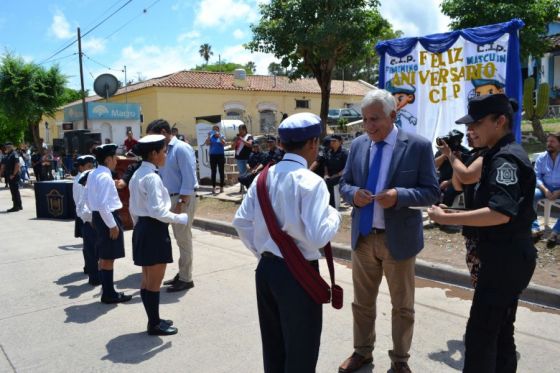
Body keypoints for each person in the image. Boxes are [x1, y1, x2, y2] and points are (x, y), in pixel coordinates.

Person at [427, 94, 537, 372]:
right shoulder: (496, 155)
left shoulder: (504, 159)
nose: (471, 130)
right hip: (506, 256)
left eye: (477, 123)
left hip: (505, 259)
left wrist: (449, 217)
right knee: (500, 333)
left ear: (500, 121)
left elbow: (501, 212)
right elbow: (465, 184)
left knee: (480, 338)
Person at [338, 89, 439, 373]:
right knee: (362, 304)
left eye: (375, 120)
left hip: (399, 241)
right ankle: (362, 353)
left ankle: (400, 361)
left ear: (393, 115)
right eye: (364, 120)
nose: (369, 126)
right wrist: (353, 193)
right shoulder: (359, 145)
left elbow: (431, 192)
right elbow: (344, 183)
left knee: (402, 307)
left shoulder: (417, 146)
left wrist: (400, 195)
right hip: (364, 238)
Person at [232, 112, 341, 373]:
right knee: (301, 351)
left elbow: (241, 222)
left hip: (267, 271)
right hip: (299, 273)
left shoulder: (262, 177)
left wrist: (263, 252)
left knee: (274, 346)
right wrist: (334, 216)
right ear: (313, 143)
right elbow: (318, 236)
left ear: (281, 143)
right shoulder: (311, 182)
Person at [129, 134, 190, 336]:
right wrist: (181, 218)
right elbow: (158, 211)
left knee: (147, 279)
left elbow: (132, 208)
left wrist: (142, 226)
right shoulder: (152, 177)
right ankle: (154, 324)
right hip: (154, 229)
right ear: (154, 154)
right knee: (153, 281)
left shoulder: (138, 174)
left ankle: (154, 320)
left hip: (144, 228)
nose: (165, 155)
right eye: (163, 151)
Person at [147, 119, 198, 293]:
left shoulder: (181, 149)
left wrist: (182, 203)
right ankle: (182, 273)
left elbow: (189, 179)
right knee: (175, 239)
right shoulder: (164, 150)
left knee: (183, 239)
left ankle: (186, 278)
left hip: (181, 199)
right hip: (169, 199)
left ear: (163, 132)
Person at [439, 134, 487, 287]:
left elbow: (467, 176)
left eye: (473, 131)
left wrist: (449, 155)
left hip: (486, 234)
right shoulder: (474, 155)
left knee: (486, 289)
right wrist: (455, 161)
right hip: (472, 232)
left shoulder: (490, 155)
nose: (469, 136)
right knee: (478, 284)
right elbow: (459, 185)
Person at [87, 144, 132, 304]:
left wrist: (93, 216)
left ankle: (108, 290)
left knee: (105, 256)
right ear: (108, 159)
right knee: (108, 257)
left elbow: (89, 198)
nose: (116, 161)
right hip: (107, 217)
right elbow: (103, 204)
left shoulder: (93, 173)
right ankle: (108, 293)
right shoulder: (105, 177)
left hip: (99, 217)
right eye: (115, 158)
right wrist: (112, 225)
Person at [531, 132, 560, 247]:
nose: (549, 144)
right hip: (545, 188)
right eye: (548, 141)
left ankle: (555, 232)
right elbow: (537, 177)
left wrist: (558, 192)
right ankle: (535, 229)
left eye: (552, 141)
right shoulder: (541, 158)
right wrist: (545, 190)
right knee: (530, 195)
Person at [73, 155, 96, 275]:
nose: (91, 169)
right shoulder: (79, 181)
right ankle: (90, 267)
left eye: (93, 166)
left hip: (86, 215)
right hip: (85, 216)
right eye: (89, 166)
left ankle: (89, 266)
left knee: (88, 244)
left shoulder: (87, 178)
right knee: (89, 245)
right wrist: (89, 219)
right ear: (81, 167)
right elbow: (80, 201)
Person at [324, 134, 349, 207]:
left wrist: (337, 175)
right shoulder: (329, 152)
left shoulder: (344, 153)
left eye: (334, 141)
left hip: (341, 176)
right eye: (331, 141)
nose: (332, 143)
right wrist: (326, 174)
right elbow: (326, 164)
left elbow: (347, 168)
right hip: (330, 175)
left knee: (330, 183)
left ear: (340, 142)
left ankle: (333, 205)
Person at [2, 142, 23, 212]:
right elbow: (3, 166)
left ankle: (16, 206)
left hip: (14, 176)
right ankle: (19, 205)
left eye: (8, 147)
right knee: (15, 191)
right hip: (10, 175)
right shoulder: (8, 155)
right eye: (6, 147)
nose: (6, 148)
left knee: (14, 191)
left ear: (11, 147)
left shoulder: (14, 154)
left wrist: (13, 174)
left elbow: (17, 165)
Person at [205, 125, 226, 194]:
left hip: (220, 156)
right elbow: (207, 144)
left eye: (216, 130)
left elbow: (224, 143)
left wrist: (219, 136)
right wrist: (208, 136)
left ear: (218, 130)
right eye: (213, 130)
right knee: (213, 172)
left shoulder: (222, 136)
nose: (215, 131)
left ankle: (221, 187)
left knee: (221, 171)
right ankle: (213, 188)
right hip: (213, 156)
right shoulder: (211, 137)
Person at [233, 124, 253, 193]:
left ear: (245, 130)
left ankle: (249, 188)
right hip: (239, 158)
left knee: (248, 173)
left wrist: (242, 140)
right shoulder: (237, 137)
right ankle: (242, 188)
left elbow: (250, 144)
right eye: (239, 131)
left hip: (247, 158)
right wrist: (236, 141)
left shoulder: (249, 136)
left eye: (241, 131)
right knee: (241, 174)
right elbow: (232, 146)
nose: (240, 132)